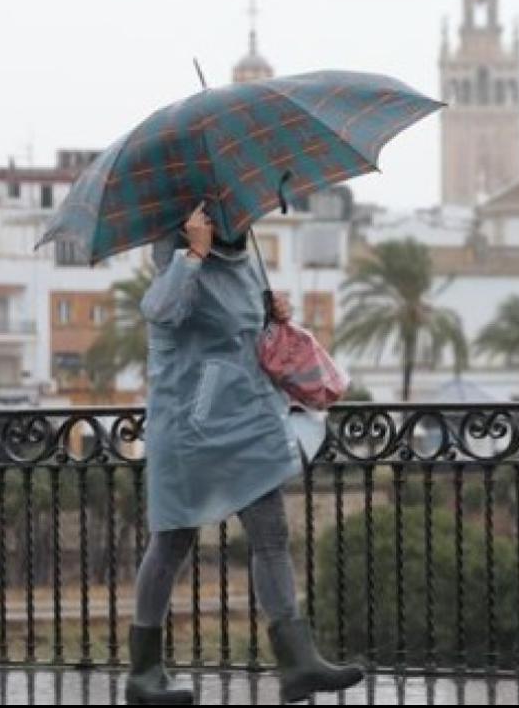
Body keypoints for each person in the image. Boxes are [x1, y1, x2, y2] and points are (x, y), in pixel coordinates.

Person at [125, 203, 364, 704]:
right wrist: (193, 252)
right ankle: (143, 674)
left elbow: (241, 334)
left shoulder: (244, 258)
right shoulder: (177, 262)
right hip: (189, 427)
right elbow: (161, 310)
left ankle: (298, 662)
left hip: (245, 420)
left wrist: (272, 313)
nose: (228, 218)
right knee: (171, 542)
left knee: (271, 533)